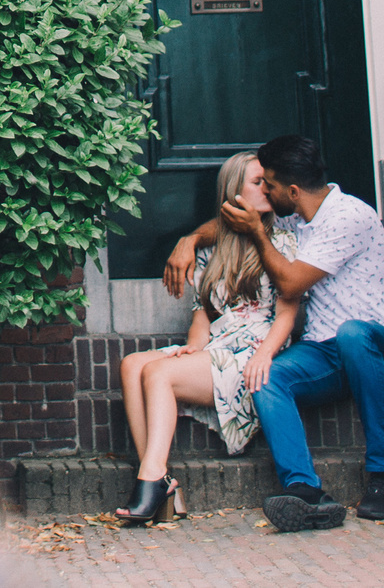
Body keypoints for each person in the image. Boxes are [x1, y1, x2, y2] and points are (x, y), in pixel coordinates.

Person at [161, 133, 384, 531]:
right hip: (327, 351)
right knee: (268, 376)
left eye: (269, 185)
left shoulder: (349, 215)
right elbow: (232, 221)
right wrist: (190, 239)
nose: (263, 190)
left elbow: (292, 285)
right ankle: (304, 491)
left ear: (293, 191)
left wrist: (259, 234)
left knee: (352, 333)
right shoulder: (295, 217)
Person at [112, 152, 302, 525]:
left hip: (257, 352)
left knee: (159, 374)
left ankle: (150, 481)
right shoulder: (213, 249)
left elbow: (288, 313)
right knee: (132, 365)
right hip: (219, 344)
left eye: (269, 181)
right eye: (256, 182)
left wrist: (265, 355)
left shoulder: (285, 241)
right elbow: (203, 313)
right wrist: (193, 348)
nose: (267, 188)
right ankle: (159, 477)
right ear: (233, 192)